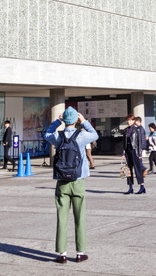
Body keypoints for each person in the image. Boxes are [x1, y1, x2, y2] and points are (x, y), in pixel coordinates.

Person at [44, 107, 98, 264]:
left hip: (62, 182)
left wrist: (57, 121)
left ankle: (62, 254)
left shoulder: (58, 136)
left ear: (64, 120)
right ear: (75, 120)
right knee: (80, 217)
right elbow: (95, 135)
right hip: (78, 180)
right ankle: (80, 253)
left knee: (62, 218)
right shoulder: (81, 135)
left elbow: (46, 134)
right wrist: (84, 121)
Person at [122, 116, 146, 195]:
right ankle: (130, 187)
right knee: (127, 170)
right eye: (128, 120)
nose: (129, 122)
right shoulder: (126, 130)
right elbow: (124, 143)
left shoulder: (137, 130)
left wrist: (139, 153)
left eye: (130, 120)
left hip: (135, 151)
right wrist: (123, 152)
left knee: (137, 169)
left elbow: (139, 142)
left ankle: (141, 186)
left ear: (133, 121)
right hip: (128, 151)